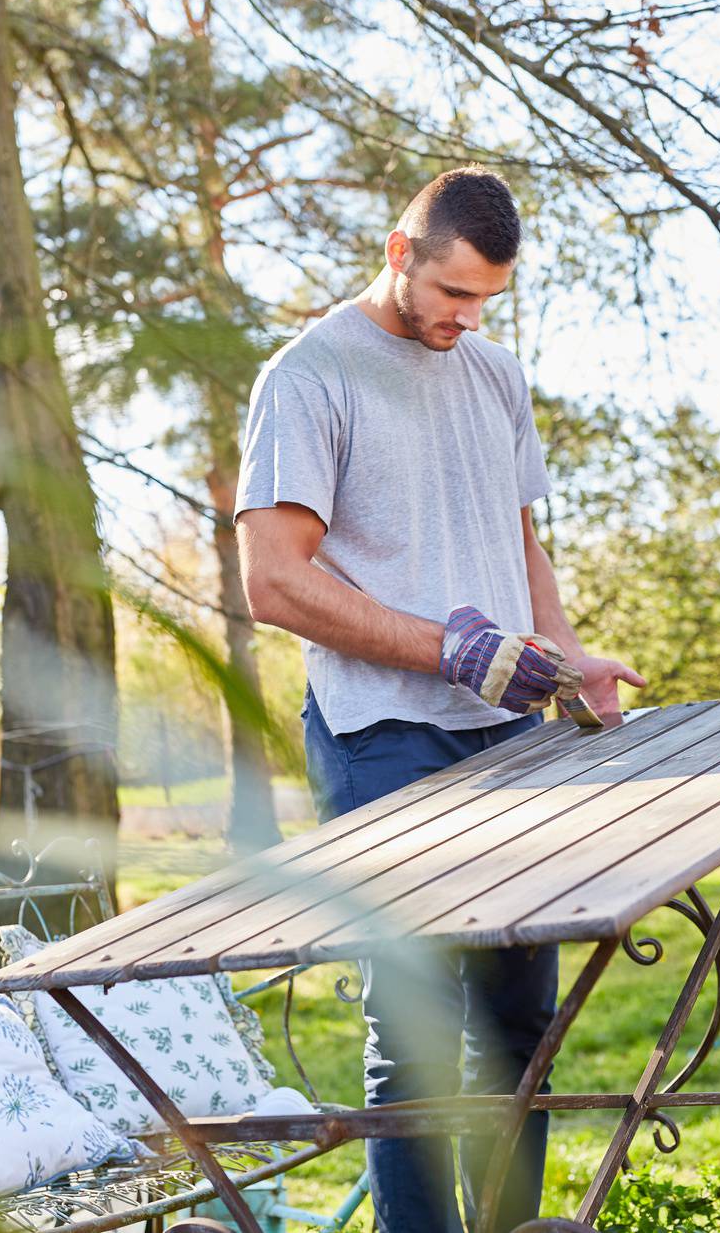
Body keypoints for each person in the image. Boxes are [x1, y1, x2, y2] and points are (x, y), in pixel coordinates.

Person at [235, 166, 645, 1233]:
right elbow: (274, 579)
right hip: (382, 736)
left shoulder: (496, 377)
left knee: (521, 1017)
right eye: (452, 294)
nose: (466, 319)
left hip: (510, 731)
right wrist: (449, 649)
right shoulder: (310, 377)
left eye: (486, 300)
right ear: (397, 251)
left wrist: (564, 654)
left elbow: (516, 542)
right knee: (415, 1025)